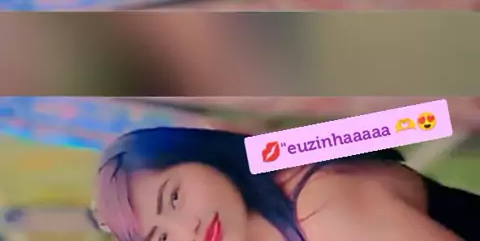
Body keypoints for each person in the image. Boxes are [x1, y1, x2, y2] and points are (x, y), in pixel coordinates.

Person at [93, 125, 480, 241]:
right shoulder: (256, 160)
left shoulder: (324, 211)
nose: (188, 230)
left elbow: (414, 123)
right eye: (162, 239)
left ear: (194, 154)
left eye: (174, 197)